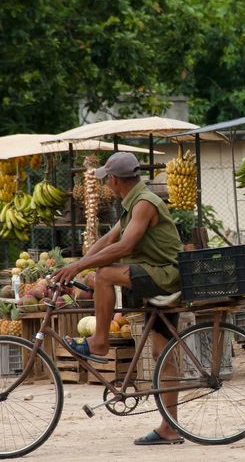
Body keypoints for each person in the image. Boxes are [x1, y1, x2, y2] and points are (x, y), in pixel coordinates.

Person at [50, 152, 185, 446]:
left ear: (113, 179)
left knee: (105, 275)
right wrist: (75, 264)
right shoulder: (133, 203)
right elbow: (108, 240)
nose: (107, 186)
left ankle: (99, 342)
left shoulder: (145, 203)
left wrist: (83, 267)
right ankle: (169, 428)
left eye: (107, 181)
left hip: (164, 276)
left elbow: (126, 244)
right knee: (163, 355)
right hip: (155, 276)